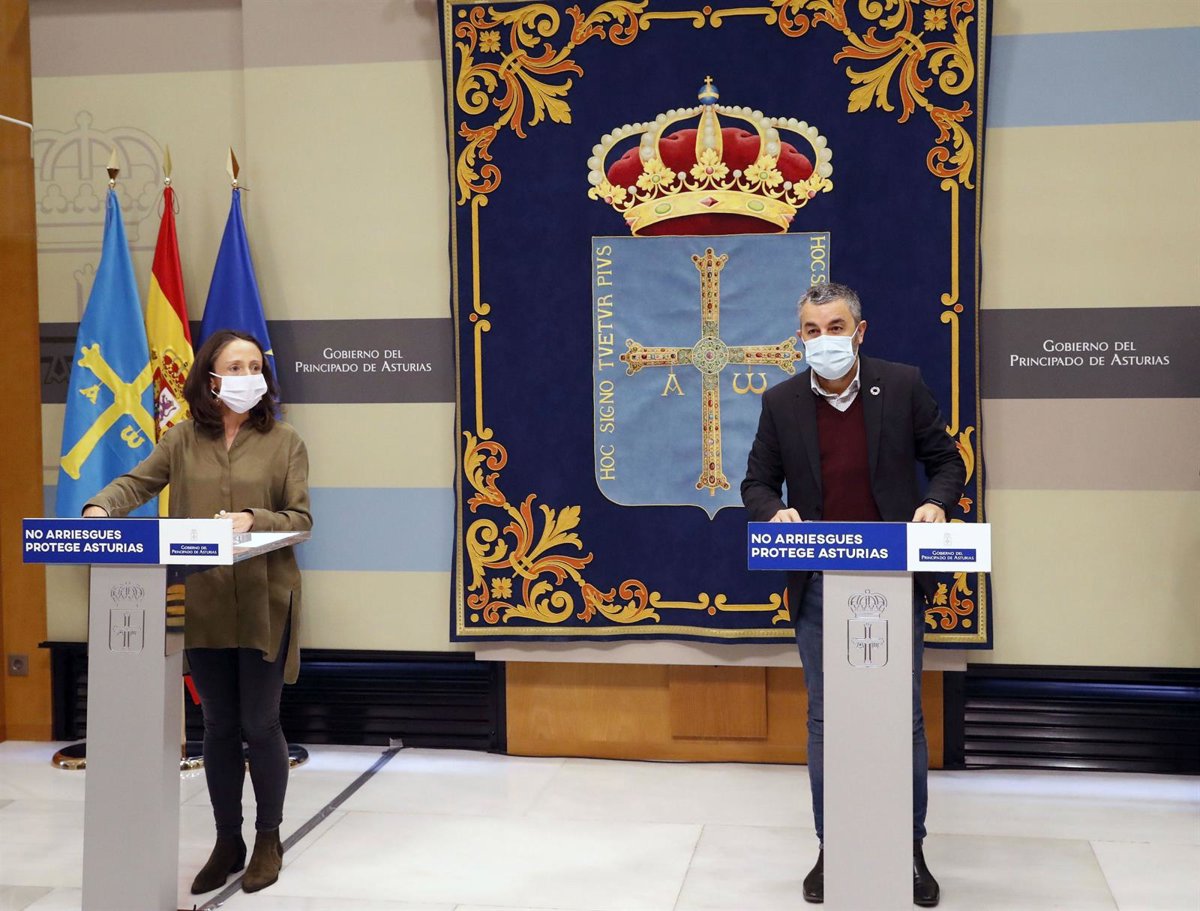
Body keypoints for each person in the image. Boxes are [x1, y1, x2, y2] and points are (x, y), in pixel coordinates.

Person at [741, 282, 964, 907]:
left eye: (835, 328)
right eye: (812, 330)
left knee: (903, 718)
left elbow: (947, 462)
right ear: (800, 338)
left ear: (859, 333)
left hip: (894, 580)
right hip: (820, 585)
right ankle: (831, 846)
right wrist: (774, 512)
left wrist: (935, 502)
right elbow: (756, 483)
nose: (824, 340)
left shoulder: (902, 385)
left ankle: (909, 849)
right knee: (825, 718)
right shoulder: (781, 401)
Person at [83, 329, 312, 895]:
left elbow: (301, 519)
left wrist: (254, 518)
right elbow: (136, 483)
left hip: (264, 600)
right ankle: (227, 840)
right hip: (204, 600)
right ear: (210, 378)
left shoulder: (285, 441)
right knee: (218, 725)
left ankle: (268, 838)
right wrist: (100, 507)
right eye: (235, 367)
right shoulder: (181, 439)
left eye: (254, 367)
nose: (247, 376)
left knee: (260, 723)